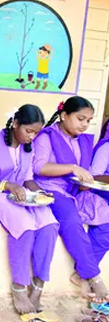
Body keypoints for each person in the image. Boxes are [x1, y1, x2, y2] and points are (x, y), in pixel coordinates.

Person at [0, 105, 58, 314]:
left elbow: (28, 179)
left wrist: (41, 193)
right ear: (16, 123)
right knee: (24, 225)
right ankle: (19, 286)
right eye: (29, 131)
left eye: (36, 133)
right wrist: (7, 185)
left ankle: (37, 286)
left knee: (49, 223)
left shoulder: (28, 148)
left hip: (18, 194)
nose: (32, 137)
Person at [32, 96, 109, 303]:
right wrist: (73, 168)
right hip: (50, 189)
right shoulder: (46, 137)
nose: (84, 125)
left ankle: (81, 273)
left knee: (106, 218)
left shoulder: (83, 140)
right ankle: (93, 275)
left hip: (76, 191)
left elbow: (85, 173)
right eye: (80, 118)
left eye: (89, 120)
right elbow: (38, 167)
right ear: (64, 115)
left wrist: (86, 182)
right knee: (72, 222)